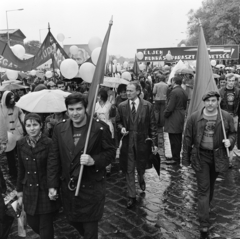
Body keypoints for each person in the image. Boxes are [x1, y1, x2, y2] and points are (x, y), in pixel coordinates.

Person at [47, 92, 115, 239]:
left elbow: (111, 152)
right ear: (67, 110)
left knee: (90, 229)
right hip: (69, 188)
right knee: (72, 220)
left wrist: (94, 160)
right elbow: (54, 158)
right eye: (71, 109)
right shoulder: (59, 129)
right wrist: (52, 185)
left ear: (85, 109)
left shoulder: (99, 128)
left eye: (78, 109)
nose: (75, 113)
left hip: (91, 189)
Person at [182, 91, 236, 235]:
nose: (210, 103)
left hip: (218, 155)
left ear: (218, 101)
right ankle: (203, 223)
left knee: (211, 185)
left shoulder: (226, 117)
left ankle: (205, 206)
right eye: (207, 101)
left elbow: (233, 133)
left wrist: (229, 141)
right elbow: (187, 138)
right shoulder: (194, 118)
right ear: (203, 102)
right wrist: (185, 159)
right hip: (201, 156)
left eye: (213, 100)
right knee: (203, 189)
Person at [16, 113, 60, 239]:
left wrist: (53, 187)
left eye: (35, 124)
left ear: (41, 125)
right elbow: (21, 168)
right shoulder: (21, 144)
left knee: (45, 226)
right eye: (28, 125)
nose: (32, 128)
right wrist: (19, 190)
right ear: (25, 127)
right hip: (29, 189)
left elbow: (54, 167)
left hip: (44, 189)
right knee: (32, 222)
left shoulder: (49, 143)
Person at [116, 82, 158, 208]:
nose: (127, 93)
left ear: (138, 92)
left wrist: (154, 143)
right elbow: (118, 122)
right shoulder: (122, 106)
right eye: (127, 90)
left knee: (140, 165)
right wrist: (121, 128)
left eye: (130, 91)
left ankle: (141, 177)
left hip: (142, 141)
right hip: (128, 142)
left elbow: (153, 126)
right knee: (129, 169)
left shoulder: (148, 106)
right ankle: (131, 195)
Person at [164, 76, 188, 164]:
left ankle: (176, 158)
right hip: (180, 115)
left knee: (174, 139)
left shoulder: (174, 92)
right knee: (177, 138)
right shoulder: (183, 91)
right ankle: (176, 157)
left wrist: (165, 114)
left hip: (174, 116)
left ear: (174, 81)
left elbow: (170, 107)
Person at [1, 91, 25, 177]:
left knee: (20, 153)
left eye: (13, 97)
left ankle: (22, 170)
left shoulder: (17, 106)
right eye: (10, 98)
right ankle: (13, 172)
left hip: (18, 132)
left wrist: (24, 120)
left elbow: (21, 113)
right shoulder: (1, 108)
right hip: (7, 134)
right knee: (10, 154)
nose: (12, 99)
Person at [219, 73, 240, 166]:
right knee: (223, 135)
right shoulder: (221, 91)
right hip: (224, 115)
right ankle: (223, 157)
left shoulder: (238, 91)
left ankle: (230, 161)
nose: (231, 83)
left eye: (233, 81)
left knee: (233, 136)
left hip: (234, 116)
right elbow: (218, 105)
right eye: (230, 81)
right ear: (226, 81)